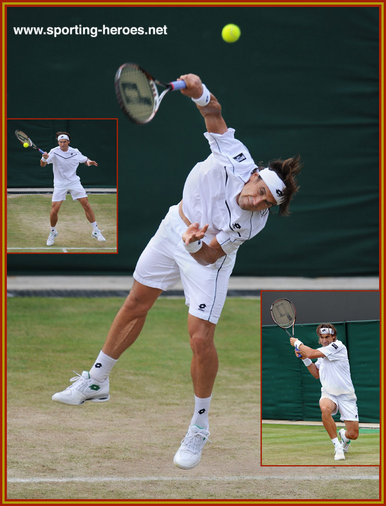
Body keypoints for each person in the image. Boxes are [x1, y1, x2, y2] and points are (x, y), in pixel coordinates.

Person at [52, 74, 301, 469]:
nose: (258, 201)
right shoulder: (234, 155)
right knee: (136, 301)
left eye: (267, 203)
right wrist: (197, 88)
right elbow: (214, 111)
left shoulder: (250, 223)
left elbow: (206, 257)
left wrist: (194, 244)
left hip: (205, 257)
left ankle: (199, 427)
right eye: (260, 191)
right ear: (253, 175)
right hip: (173, 227)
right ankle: (97, 380)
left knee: (200, 337)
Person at [290, 323, 359, 461]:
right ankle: (338, 447)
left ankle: (344, 437)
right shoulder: (322, 353)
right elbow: (316, 373)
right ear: (319, 339)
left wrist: (297, 343)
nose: (325, 340)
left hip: (346, 395)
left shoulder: (338, 346)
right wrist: (305, 359)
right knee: (325, 408)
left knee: (353, 434)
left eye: (327, 336)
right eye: (322, 337)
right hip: (329, 393)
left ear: (333, 337)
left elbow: (310, 352)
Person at [40, 131, 106, 246]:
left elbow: (84, 160)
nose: (62, 144)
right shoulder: (54, 152)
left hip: (74, 182)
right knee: (55, 209)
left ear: (68, 142)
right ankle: (53, 232)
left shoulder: (75, 152)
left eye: (64, 142)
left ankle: (95, 230)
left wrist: (89, 162)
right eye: (60, 142)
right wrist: (44, 158)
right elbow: (43, 165)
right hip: (60, 184)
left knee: (86, 203)